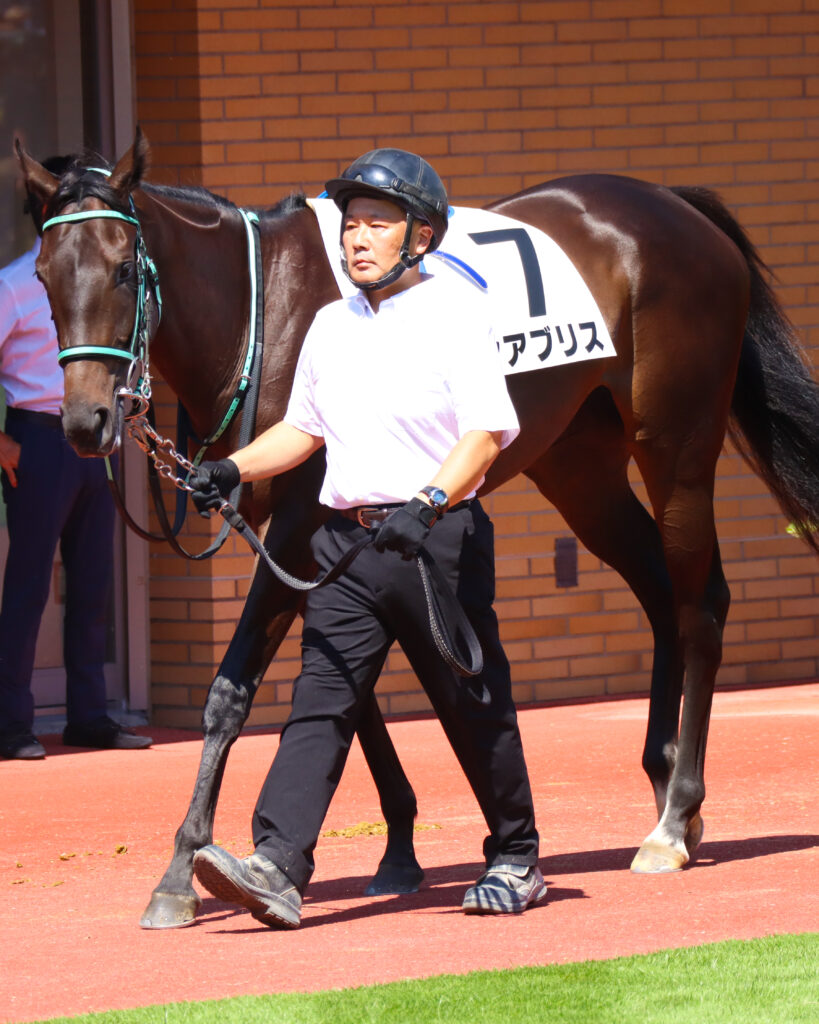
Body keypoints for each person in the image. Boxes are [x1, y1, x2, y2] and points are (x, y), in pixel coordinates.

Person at [190, 149, 544, 925]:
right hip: (343, 547)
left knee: (470, 702)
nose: (357, 237)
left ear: (419, 236)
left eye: (376, 224)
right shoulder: (329, 325)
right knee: (319, 700)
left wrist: (427, 501)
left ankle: (515, 855)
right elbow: (302, 431)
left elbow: (488, 433)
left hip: (434, 541)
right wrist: (231, 470)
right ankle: (278, 864)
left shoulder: (454, 314)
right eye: (349, 224)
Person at [0, 154, 152, 759]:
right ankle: (10, 723)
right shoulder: (14, 283)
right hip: (36, 438)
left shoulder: (104, 275)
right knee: (29, 587)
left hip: (94, 436)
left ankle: (90, 718)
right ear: (47, 207)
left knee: (93, 587)